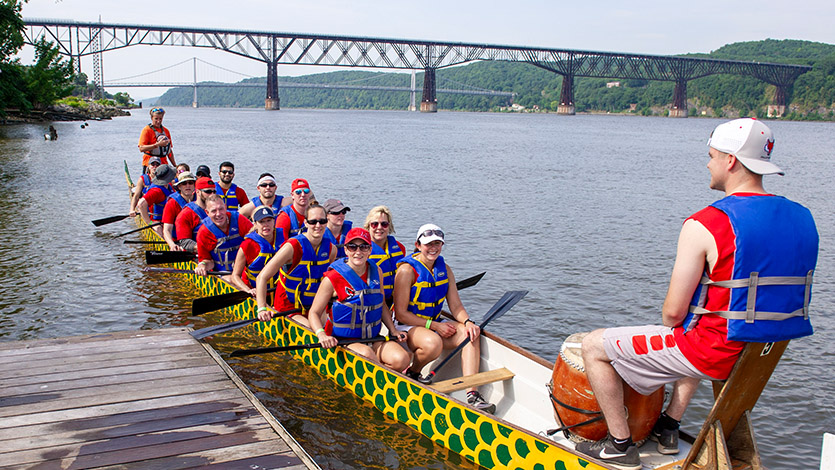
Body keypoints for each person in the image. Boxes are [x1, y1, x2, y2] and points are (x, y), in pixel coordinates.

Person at [576, 118, 818, 470]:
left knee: (594, 346)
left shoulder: (706, 223)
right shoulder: (803, 217)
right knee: (696, 324)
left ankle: (620, 446)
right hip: (763, 351)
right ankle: (669, 425)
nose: (708, 164)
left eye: (712, 156)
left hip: (716, 352)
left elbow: (672, 314)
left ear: (731, 161)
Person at [393, 224, 495, 413]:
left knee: (470, 335)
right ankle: (414, 372)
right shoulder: (406, 271)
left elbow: (456, 306)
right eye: (428, 244)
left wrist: (468, 322)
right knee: (433, 343)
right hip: (407, 326)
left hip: (433, 323)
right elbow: (401, 314)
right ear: (418, 245)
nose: (433, 248)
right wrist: (434, 326)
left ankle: (472, 394)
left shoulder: (445, 269)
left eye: (437, 244)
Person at [309, 228, 411, 371]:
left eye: (363, 247)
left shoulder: (377, 271)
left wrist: (393, 330)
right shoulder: (332, 278)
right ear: (346, 250)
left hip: (373, 337)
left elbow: (381, 304)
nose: (358, 252)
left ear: (370, 250)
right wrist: (321, 334)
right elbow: (314, 312)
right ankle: (378, 371)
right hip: (343, 341)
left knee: (402, 358)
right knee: (367, 354)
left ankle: (378, 370)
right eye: (353, 247)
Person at [257, 204, 336, 327]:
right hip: (288, 307)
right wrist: (262, 308)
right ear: (306, 223)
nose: (318, 225)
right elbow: (262, 277)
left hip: (314, 306)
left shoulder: (331, 249)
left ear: (327, 222)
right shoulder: (292, 247)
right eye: (313, 222)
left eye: (322, 221)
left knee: (332, 327)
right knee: (312, 329)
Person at [194, 194, 253, 276]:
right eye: (214, 211)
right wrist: (203, 265)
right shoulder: (204, 232)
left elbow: (256, 240)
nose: (218, 214)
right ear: (207, 212)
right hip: (223, 274)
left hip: (246, 270)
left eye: (221, 209)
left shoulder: (239, 220)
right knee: (231, 280)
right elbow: (207, 260)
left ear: (225, 208)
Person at [230, 206, 279, 296]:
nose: (266, 225)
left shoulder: (283, 239)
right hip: (254, 291)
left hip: (277, 290)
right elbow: (235, 276)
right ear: (255, 224)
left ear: (274, 221)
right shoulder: (247, 245)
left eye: (269, 220)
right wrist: (248, 290)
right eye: (261, 222)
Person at [364, 205, 406, 305]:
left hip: (395, 301)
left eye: (384, 224)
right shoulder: (361, 250)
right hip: (371, 301)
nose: (379, 227)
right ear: (368, 226)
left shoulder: (400, 248)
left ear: (389, 226)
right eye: (374, 224)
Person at [174, 176, 215, 253]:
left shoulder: (218, 210)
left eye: (214, 192)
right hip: (198, 254)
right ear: (198, 192)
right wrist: (206, 249)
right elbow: (184, 242)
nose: (212, 195)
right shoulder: (185, 214)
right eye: (208, 192)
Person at [135, 164, 177, 237]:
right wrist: (150, 223)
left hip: (168, 220)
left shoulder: (169, 185)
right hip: (157, 222)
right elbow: (141, 204)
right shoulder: (156, 191)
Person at [161, 171, 197, 252]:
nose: (188, 186)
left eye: (190, 183)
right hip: (178, 242)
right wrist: (172, 245)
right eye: (184, 184)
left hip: (196, 240)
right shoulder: (172, 203)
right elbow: (167, 229)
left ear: (194, 185)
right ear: (179, 187)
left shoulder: (199, 199)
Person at [275, 178, 312, 245]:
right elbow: (280, 243)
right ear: (292, 195)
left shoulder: (314, 213)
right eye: (298, 192)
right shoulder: (284, 216)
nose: (303, 194)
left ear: (309, 194)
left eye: (306, 191)